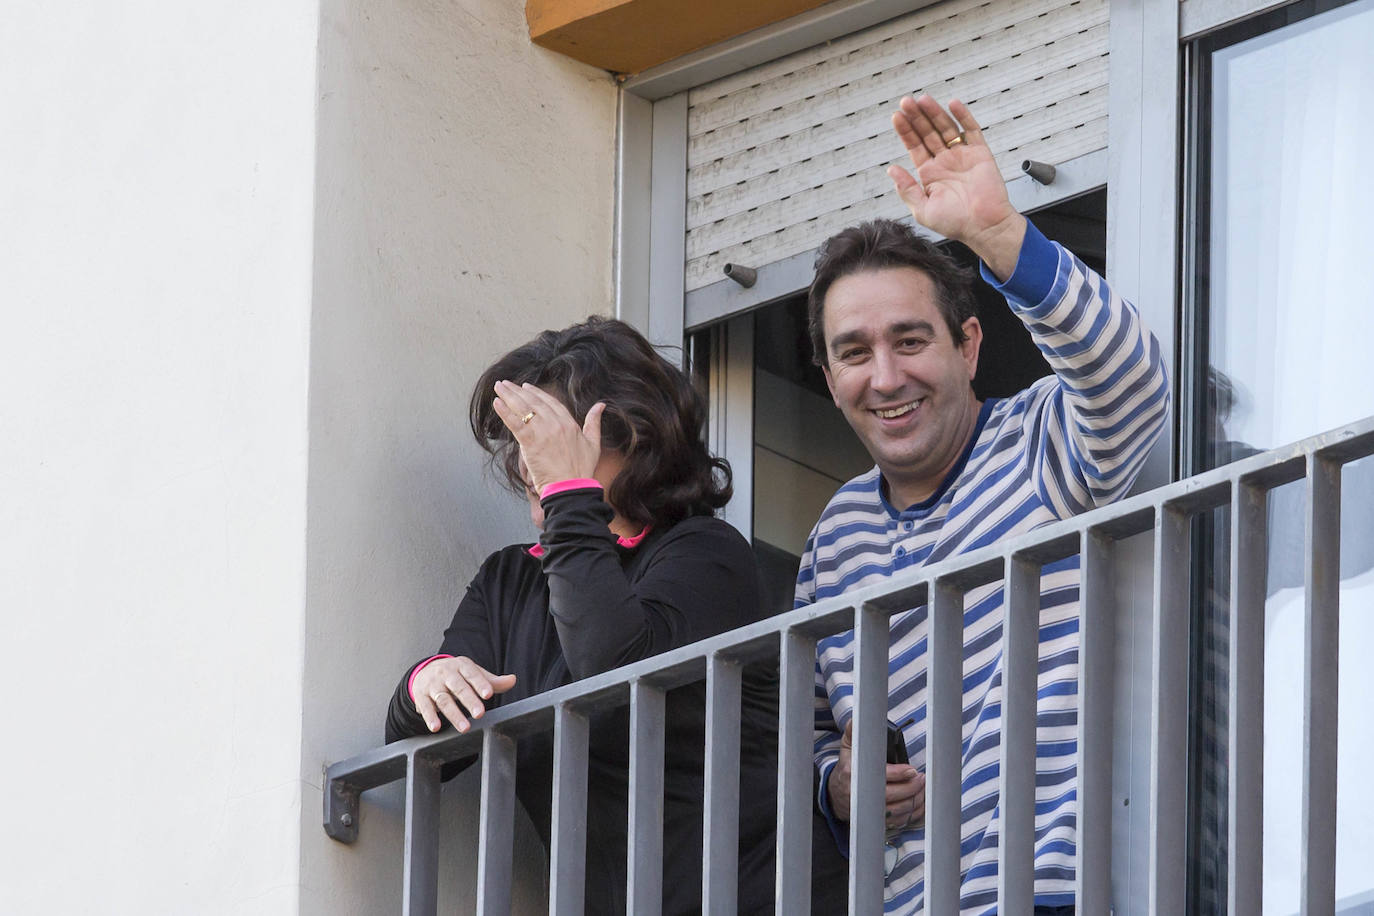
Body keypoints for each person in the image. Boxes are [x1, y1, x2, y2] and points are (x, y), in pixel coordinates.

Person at [799, 95, 1170, 913]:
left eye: (910, 340)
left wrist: (996, 230)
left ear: (968, 345)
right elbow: (813, 735)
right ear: (829, 382)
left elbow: (1133, 382)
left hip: (1055, 888)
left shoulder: (1038, 439)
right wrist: (839, 786)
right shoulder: (833, 542)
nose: (886, 377)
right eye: (854, 353)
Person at [384, 316, 779, 914]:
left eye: (549, 436)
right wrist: (426, 683)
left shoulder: (705, 552)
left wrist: (570, 491)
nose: (528, 462)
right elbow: (434, 753)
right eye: (522, 440)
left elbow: (615, 672)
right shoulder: (512, 577)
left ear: (635, 433)